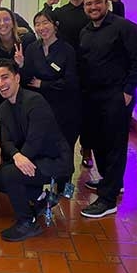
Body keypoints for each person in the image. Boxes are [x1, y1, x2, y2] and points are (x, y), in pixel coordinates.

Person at [0, 59, 72, 242]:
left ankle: (27, 222)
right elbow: (6, 141)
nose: (1, 83)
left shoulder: (35, 101)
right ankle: (41, 198)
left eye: (5, 77)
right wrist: (17, 156)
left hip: (55, 161)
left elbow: (36, 139)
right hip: (29, 158)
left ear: (17, 78)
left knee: (10, 174)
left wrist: (21, 158)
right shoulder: (3, 108)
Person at [43, 0, 125, 169]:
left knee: (89, 114)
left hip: (91, 71)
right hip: (67, 70)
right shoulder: (61, 13)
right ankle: (63, 154)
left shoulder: (93, 11)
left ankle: (87, 149)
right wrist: (48, 5)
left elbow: (118, 22)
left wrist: (117, 1)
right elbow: (43, 23)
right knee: (68, 114)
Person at [79, 0, 137, 219]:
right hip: (92, 97)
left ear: (106, 4)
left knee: (115, 144)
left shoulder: (125, 27)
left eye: (97, 2)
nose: (93, 7)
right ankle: (111, 182)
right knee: (98, 140)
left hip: (117, 96)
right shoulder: (85, 32)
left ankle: (107, 200)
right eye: (89, 4)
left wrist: (128, 91)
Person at [21, 10, 81, 192]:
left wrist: (44, 84)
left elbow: (70, 80)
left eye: (45, 22)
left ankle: (65, 186)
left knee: (65, 146)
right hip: (40, 106)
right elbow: (27, 79)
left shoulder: (67, 49)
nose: (41, 27)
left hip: (64, 106)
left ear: (54, 25)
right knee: (41, 143)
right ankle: (41, 182)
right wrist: (21, 65)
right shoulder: (32, 48)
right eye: (37, 24)